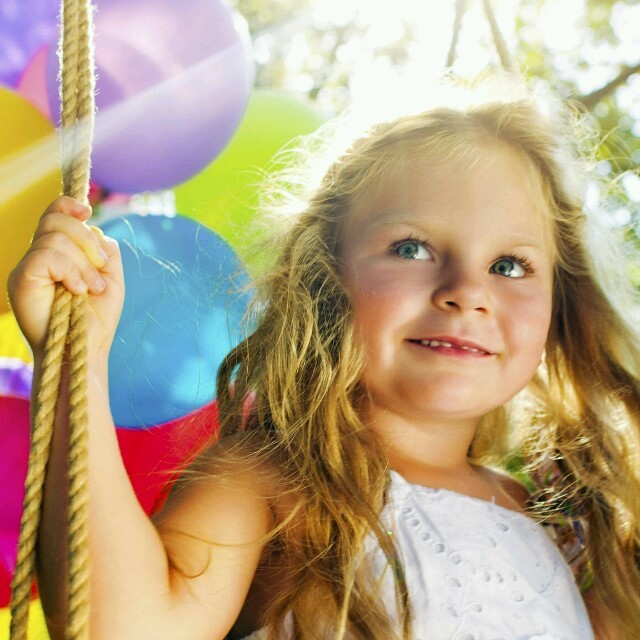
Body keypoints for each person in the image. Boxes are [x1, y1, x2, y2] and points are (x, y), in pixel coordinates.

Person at [8, 75, 640, 639]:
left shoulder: (559, 533)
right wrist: (76, 362)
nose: (468, 293)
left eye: (510, 265)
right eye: (413, 249)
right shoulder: (277, 482)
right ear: (325, 278)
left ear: (561, 307)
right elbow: (126, 628)